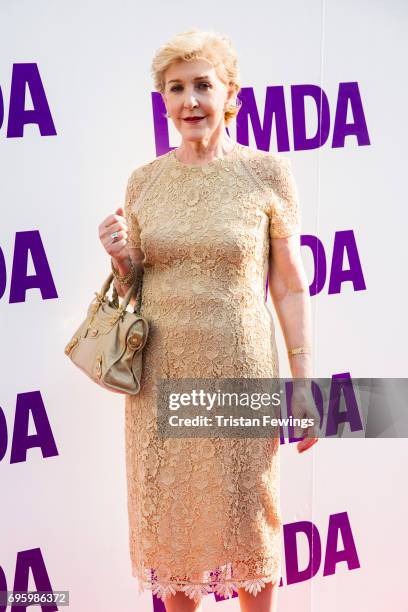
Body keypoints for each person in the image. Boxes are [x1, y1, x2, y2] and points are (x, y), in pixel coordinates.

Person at [98, 28, 318, 612]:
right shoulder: (144, 181)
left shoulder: (266, 174)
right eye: (176, 88)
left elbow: (290, 288)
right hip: (160, 379)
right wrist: (122, 259)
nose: (189, 101)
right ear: (163, 100)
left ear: (230, 95)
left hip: (239, 369)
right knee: (170, 528)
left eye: (202, 85)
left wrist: (302, 381)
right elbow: (135, 287)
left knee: (249, 521)